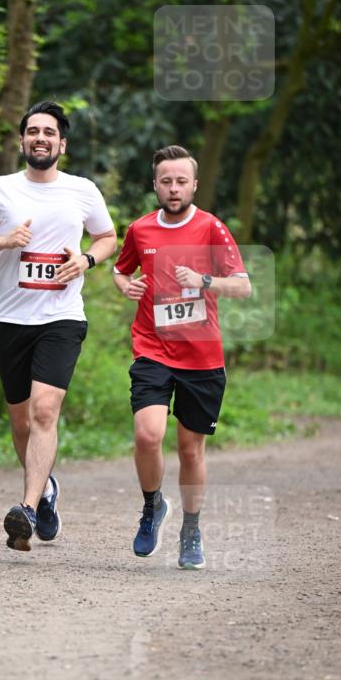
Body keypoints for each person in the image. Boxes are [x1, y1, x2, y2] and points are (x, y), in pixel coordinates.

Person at [0, 101, 117, 552]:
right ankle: (45, 492)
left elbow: (107, 237)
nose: (40, 138)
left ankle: (25, 508)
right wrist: (5, 241)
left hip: (61, 318)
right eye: (33, 131)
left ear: (62, 144)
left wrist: (85, 260)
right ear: (22, 141)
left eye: (49, 132)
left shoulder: (82, 190)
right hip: (8, 320)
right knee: (22, 422)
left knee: (45, 410)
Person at [113, 145, 251, 570]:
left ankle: (191, 528)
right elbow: (121, 269)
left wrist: (205, 279)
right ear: (155, 184)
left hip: (201, 355)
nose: (173, 189)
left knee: (191, 451)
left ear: (194, 184)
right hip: (153, 348)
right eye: (166, 181)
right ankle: (153, 506)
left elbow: (242, 285)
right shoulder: (140, 229)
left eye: (181, 181)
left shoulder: (211, 227)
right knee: (147, 435)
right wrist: (125, 286)